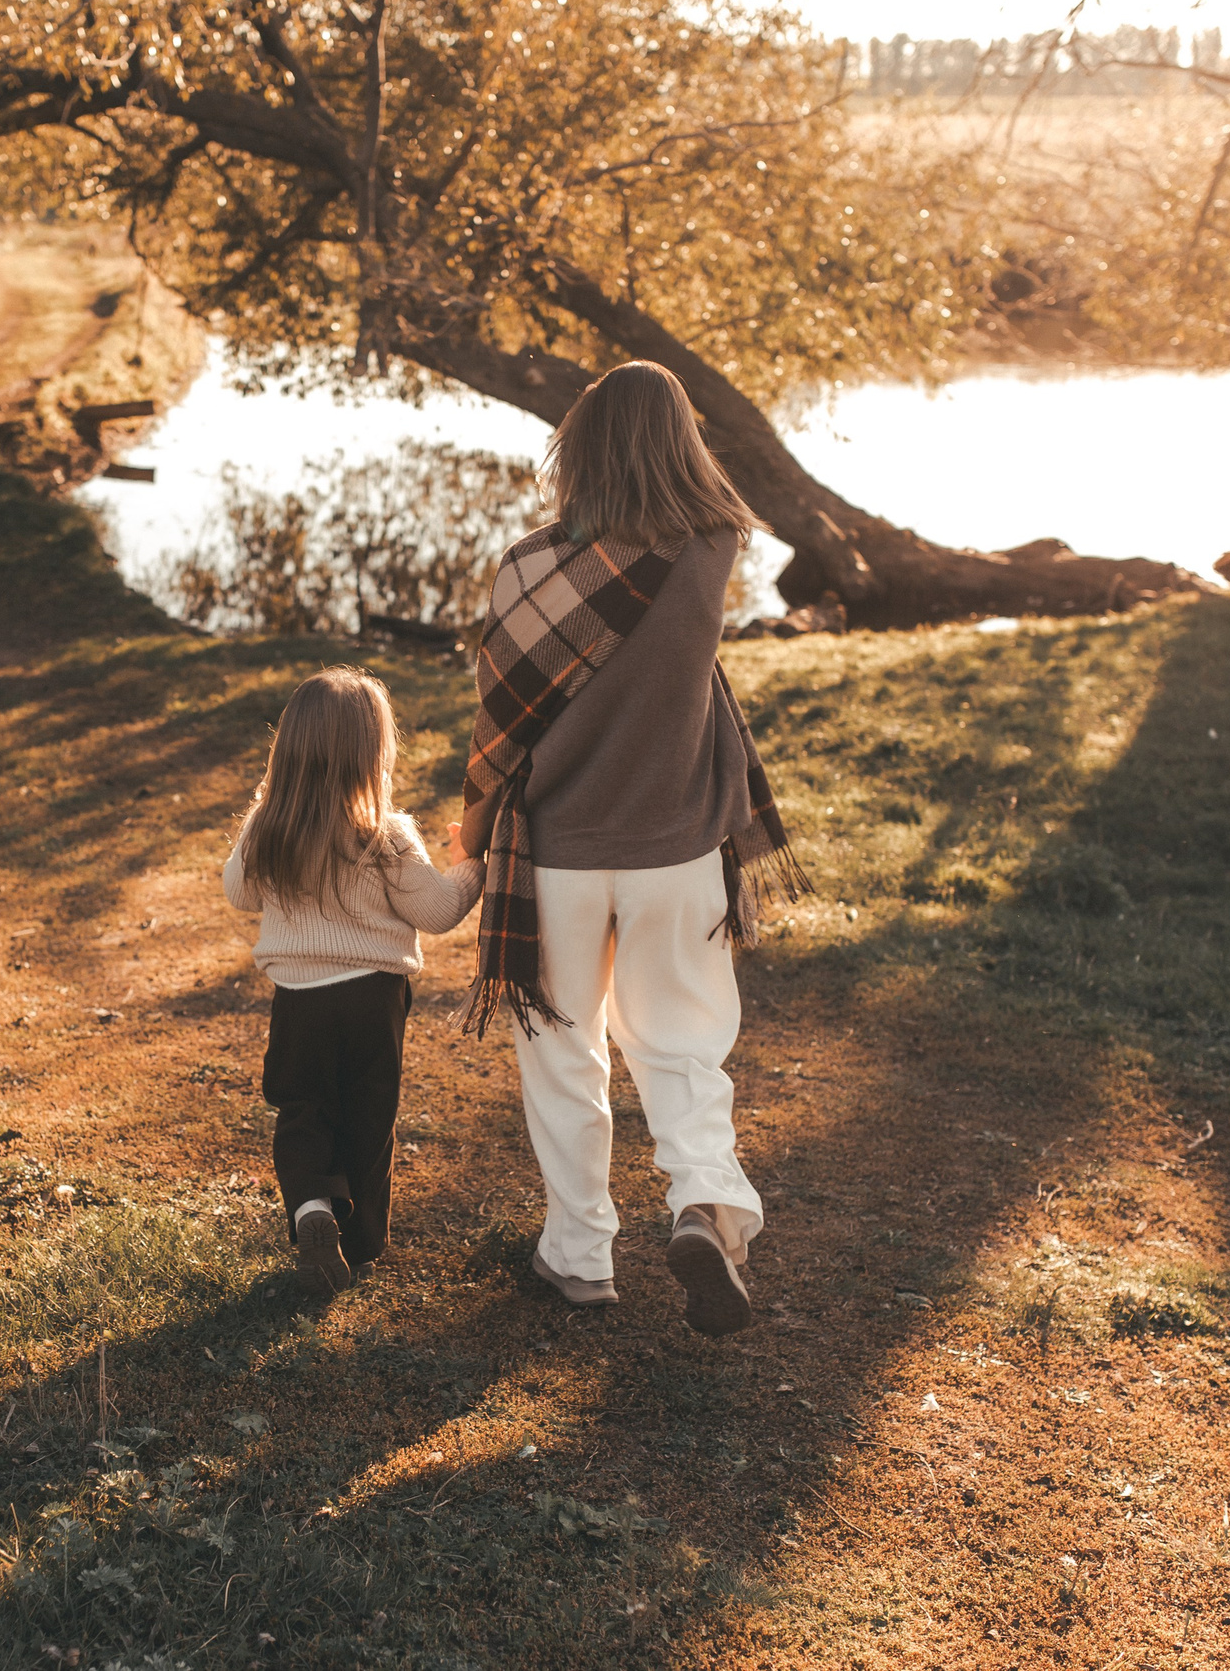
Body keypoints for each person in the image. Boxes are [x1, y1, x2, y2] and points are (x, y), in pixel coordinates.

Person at [450, 361, 812, 1337]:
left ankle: (578, 1256)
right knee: (682, 1047)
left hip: (557, 856)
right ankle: (705, 1205)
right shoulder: (712, 547)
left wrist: (472, 835)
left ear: (578, 448)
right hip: (677, 851)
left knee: (562, 1055)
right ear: (681, 441)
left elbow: (498, 728)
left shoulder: (528, 568)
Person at [224, 666, 484, 1296]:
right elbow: (437, 912)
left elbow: (239, 893)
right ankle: (361, 1243)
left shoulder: (269, 828)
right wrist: (471, 865)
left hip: (299, 1001)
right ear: (374, 754)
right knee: (369, 1116)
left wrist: (262, 815)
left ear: (287, 750)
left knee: (303, 1109)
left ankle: (312, 1210)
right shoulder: (386, 835)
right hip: (373, 998)